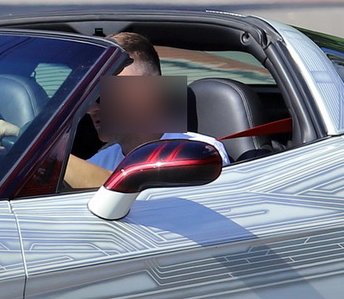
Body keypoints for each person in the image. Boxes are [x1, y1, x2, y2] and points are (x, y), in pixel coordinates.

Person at [62, 31, 227, 190]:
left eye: (104, 94)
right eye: (90, 97)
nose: (91, 109)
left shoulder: (203, 153)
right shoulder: (98, 162)